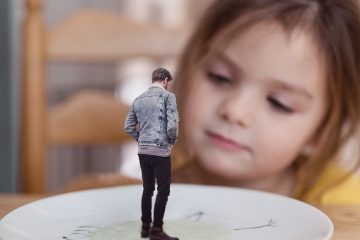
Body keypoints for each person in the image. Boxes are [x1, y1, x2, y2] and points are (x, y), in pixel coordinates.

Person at [171, 0, 360, 205]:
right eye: (220, 77)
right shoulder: (147, 191)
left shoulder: (349, 208)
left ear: (321, 130)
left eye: (279, 103)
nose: (235, 111)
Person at [124, 67, 179, 240]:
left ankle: (145, 228)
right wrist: (171, 141)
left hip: (143, 152)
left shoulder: (138, 99)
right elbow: (172, 126)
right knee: (163, 190)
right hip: (160, 151)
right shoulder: (168, 97)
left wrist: (141, 140)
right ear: (165, 81)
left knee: (147, 189)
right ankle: (157, 230)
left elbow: (127, 127)